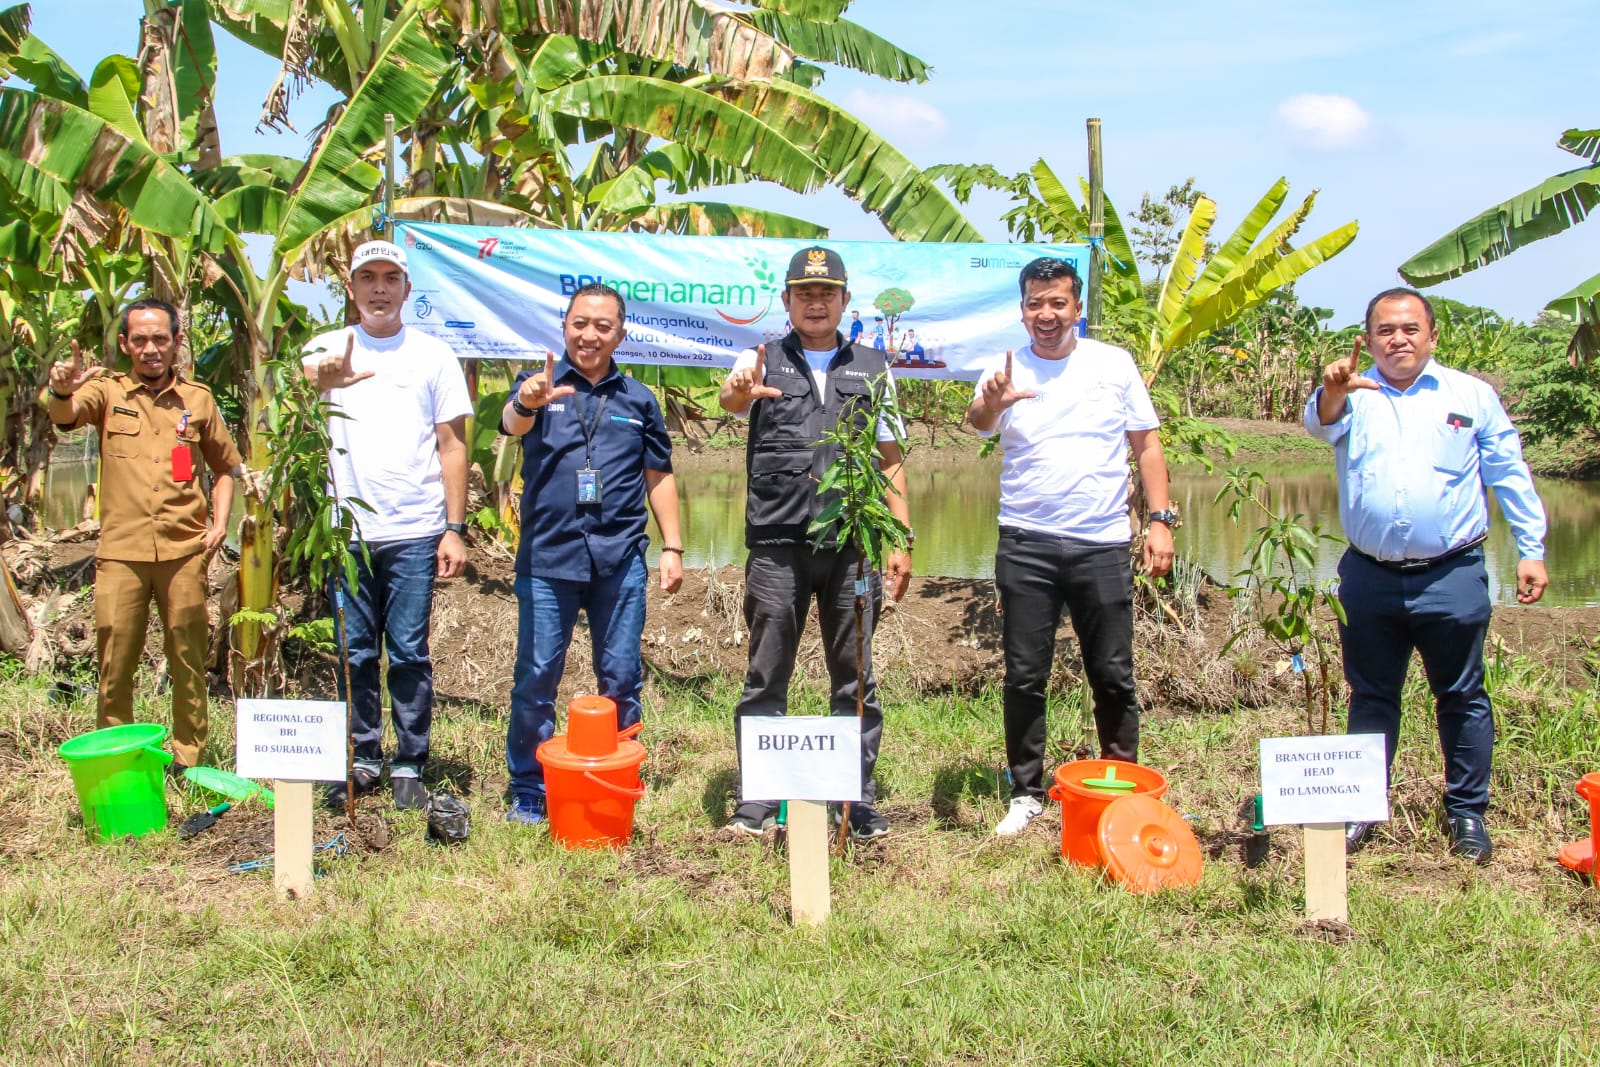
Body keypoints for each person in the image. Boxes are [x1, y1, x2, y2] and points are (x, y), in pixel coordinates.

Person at [1305, 287, 1548, 865]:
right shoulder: (1353, 394)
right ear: (1368, 341)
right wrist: (1334, 389)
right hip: (1369, 575)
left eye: (1410, 329)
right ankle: (1362, 807)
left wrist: (1531, 548)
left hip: (1453, 573)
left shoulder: (1471, 396)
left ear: (1432, 336)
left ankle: (1467, 813)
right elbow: (1318, 423)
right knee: (1370, 695)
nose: (1399, 339)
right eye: (1385, 331)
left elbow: (1508, 473)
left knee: (1462, 695)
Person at [967, 257, 1175, 837]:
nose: (1046, 314)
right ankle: (1026, 791)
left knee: (1112, 672)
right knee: (1024, 673)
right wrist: (995, 402)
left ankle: (1121, 780)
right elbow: (977, 422)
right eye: (1035, 304)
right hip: (1026, 542)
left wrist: (1160, 521)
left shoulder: (1113, 364)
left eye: (1057, 302)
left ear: (1077, 307)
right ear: (1023, 309)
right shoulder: (1005, 367)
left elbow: (1148, 447)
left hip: (1102, 542)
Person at [718, 246, 913, 839]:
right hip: (778, 544)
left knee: (855, 675)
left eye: (827, 292)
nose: (816, 301)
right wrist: (739, 390)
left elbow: (891, 457)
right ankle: (756, 804)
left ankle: (855, 802)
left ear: (845, 300)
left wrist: (900, 537)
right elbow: (731, 401)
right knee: (765, 674)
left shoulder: (874, 367)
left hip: (852, 546)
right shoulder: (760, 359)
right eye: (804, 292)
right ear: (786, 301)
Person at [499, 283, 683, 824]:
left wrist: (672, 544)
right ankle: (529, 788)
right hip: (547, 559)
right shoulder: (540, 388)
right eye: (580, 323)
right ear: (565, 327)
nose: (590, 335)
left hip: (620, 558)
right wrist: (525, 401)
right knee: (536, 677)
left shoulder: (639, 400)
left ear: (620, 335)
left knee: (622, 675)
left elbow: (659, 474)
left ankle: (619, 772)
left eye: (603, 326)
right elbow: (513, 422)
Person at [302, 240, 472, 810]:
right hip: (344, 532)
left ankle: (409, 761)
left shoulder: (433, 355)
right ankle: (363, 754)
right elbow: (294, 393)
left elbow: (452, 445)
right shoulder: (325, 348)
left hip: (415, 529)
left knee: (407, 651)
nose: (379, 288)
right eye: (367, 278)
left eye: (390, 278)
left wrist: (455, 527)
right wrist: (318, 378)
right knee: (352, 652)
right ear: (350, 288)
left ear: (406, 288)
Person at [47, 299, 241, 771]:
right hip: (121, 553)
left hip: (183, 551)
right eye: (139, 340)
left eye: (160, 339)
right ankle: (120, 759)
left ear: (177, 342)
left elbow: (226, 467)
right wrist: (59, 391)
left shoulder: (197, 400)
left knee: (187, 659)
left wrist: (219, 524)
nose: (150, 349)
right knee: (115, 663)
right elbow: (66, 416)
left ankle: (188, 758)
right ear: (124, 344)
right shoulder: (107, 393)